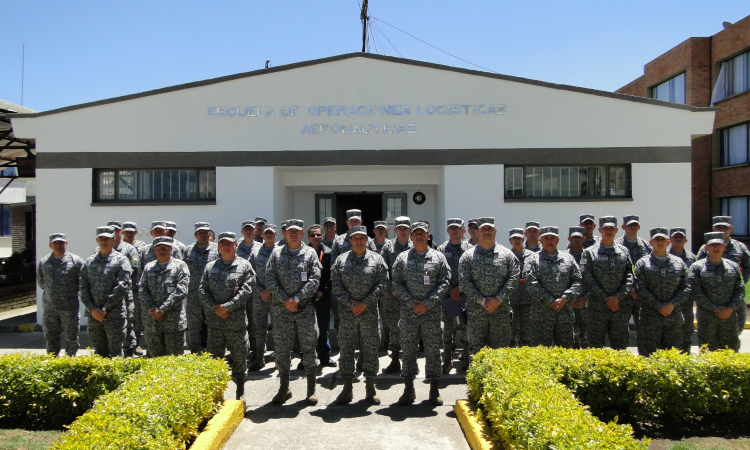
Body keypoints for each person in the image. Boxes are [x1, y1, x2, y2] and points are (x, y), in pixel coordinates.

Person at [392, 221, 450, 406]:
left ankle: (434, 389)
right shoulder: (402, 258)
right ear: (411, 236)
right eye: (415, 233)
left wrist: (427, 303)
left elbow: (445, 282)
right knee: (408, 352)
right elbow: (396, 284)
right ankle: (409, 389)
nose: (419, 236)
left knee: (433, 352)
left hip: (431, 314)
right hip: (409, 315)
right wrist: (412, 303)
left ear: (428, 235)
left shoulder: (438, 257)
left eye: (422, 233)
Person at [265, 219, 322, 405]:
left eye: (297, 231)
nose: (294, 234)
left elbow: (314, 280)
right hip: (281, 311)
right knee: (282, 350)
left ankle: (311, 389)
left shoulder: (310, 253)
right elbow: (270, 279)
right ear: (285, 233)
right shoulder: (275, 253)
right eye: (290, 231)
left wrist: (296, 299)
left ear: (303, 233)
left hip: (304, 309)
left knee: (308, 349)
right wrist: (286, 300)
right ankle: (284, 388)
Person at [331, 225, 388, 405]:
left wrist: (365, 303)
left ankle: (370, 388)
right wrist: (351, 304)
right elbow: (336, 286)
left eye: (362, 238)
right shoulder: (340, 261)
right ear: (350, 241)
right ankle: (347, 388)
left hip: (369, 314)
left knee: (371, 350)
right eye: (355, 238)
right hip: (347, 315)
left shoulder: (377, 260)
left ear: (366, 240)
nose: (358, 241)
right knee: (346, 351)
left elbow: (383, 284)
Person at [199, 231, 255, 400]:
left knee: (239, 357)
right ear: (218, 246)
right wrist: (216, 308)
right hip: (215, 322)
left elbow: (247, 290)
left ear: (235, 245)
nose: (226, 246)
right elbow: (202, 290)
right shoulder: (210, 267)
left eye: (230, 243)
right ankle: (216, 394)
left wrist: (227, 307)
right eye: (223, 244)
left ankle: (240, 391)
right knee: (215, 360)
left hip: (236, 323)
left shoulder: (244, 266)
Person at [459, 217, 520, 354]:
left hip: (500, 313)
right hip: (476, 315)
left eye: (490, 229)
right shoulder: (467, 256)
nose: (486, 232)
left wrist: (498, 299)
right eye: (483, 229)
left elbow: (513, 278)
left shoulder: (507, 255)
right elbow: (464, 282)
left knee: (501, 353)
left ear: (495, 231)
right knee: (476, 353)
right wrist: (482, 300)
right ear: (477, 232)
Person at [580, 216, 634, 350]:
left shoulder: (624, 251)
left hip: (620, 307)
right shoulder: (589, 252)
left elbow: (629, 275)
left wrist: (618, 297)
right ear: (599, 230)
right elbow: (587, 277)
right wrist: (606, 298)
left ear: (616, 230)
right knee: (595, 347)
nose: (608, 231)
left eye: (611, 229)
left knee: (620, 347)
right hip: (597, 308)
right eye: (605, 228)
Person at [633, 228, 689, 356]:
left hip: (673, 318)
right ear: (650, 242)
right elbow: (640, 287)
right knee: (649, 358)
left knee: (673, 358)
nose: (660, 242)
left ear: (668, 242)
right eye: (656, 239)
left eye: (662, 239)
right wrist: (659, 306)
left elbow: (686, 287)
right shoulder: (642, 263)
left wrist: (672, 304)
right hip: (650, 318)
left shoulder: (678, 262)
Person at [524, 226, 583, 348]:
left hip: (564, 315)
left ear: (558, 240)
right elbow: (531, 284)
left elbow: (578, 281)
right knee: (540, 355)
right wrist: (551, 301)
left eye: (552, 238)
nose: (549, 241)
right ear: (540, 240)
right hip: (541, 317)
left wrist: (565, 298)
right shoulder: (532, 260)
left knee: (566, 354)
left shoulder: (568, 258)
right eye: (546, 238)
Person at [79, 226, 133, 358]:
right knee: (99, 354)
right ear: (97, 240)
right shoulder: (89, 262)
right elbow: (83, 287)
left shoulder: (121, 260)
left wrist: (104, 308)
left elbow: (122, 286)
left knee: (115, 354)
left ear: (113, 239)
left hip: (114, 314)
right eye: (101, 238)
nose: (104, 241)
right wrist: (92, 309)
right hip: (94, 315)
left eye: (107, 238)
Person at [690, 231, 745, 352]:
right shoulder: (697, 267)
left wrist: (730, 309)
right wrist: (716, 309)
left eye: (719, 244)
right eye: (712, 245)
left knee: (731, 352)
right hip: (707, 318)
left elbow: (740, 290)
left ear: (724, 246)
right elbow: (695, 292)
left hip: (729, 318)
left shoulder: (733, 266)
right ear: (706, 247)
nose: (716, 248)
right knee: (707, 353)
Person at [696, 216, 750, 335]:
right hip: (710, 298)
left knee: (736, 329)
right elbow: (697, 269)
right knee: (708, 333)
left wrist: (738, 284)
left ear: (731, 228)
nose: (722, 230)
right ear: (713, 229)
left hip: (733, 297)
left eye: (725, 227)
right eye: (718, 227)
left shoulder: (740, 248)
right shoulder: (705, 249)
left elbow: (747, 267)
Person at [139, 236, 190, 357]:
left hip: (173, 322)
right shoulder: (148, 267)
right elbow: (142, 290)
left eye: (165, 247)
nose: (162, 250)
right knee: (154, 360)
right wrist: (153, 309)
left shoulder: (180, 266)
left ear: (171, 249)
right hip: (152, 322)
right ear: (154, 250)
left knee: (175, 359)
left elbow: (182, 290)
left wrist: (162, 309)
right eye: (159, 248)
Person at [38, 233, 84, 356]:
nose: (58, 245)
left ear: (66, 243)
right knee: (50, 336)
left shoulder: (76, 261)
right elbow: (41, 281)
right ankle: (53, 362)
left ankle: (70, 362)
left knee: (71, 337)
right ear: (50, 245)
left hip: (69, 307)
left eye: (60, 243)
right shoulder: (44, 262)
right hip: (50, 307)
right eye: (55, 243)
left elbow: (83, 281)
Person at [437, 218, 473, 372]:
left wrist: (460, 288)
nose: (454, 230)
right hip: (447, 296)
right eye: (451, 228)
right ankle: (447, 360)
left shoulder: (471, 249)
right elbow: (438, 273)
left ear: (463, 230)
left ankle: (466, 359)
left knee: (467, 329)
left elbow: (474, 273)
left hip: (466, 296)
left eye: (457, 228)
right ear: (447, 231)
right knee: (448, 331)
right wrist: (451, 290)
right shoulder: (441, 250)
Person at [380, 216, 413, 373]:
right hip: (393, 296)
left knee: (411, 328)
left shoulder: (416, 246)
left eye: (405, 228)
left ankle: (410, 361)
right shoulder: (388, 247)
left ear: (409, 229)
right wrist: (391, 287)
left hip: (412, 296)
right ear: (395, 230)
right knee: (394, 328)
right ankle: (394, 359)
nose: (402, 230)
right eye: (399, 228)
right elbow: (383, 269)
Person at [103, 221, 141, 357]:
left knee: (129, 321)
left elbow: (134, 268)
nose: (113, 232)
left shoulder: (129, 249)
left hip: (126, 293)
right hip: (106, 295)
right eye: (110, 230)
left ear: (121, 232)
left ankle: (130, 351)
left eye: (116, 230)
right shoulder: (100, 249)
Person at [616, 215, 652, 352]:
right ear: (623, 227)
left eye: (635, 225)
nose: (632, 227)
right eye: (629, 225)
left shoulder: (646, 246)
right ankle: (622, 358)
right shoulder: (617, 245)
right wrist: (628, 289)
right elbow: (617, 271)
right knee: (621, 328)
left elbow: (649, 270)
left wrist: (639, 289)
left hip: (641, 295)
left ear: (639, 227)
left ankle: (643, 356)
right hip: (623, 294)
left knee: (643, 328)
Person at [184, 222, 218, 354]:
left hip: (212, 293)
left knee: (212, 322)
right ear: (195, 235)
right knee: (194, 324)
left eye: (205, 232)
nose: (203, 234)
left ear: (210, 233)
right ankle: (195, 351)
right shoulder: (188, 250)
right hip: (193, 294)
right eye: (200, 232)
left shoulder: (217, 249)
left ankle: (213, 352)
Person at [247, 223, 278, 371]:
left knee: (279, 327)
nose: (269, 235)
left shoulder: (281, 252)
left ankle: (281, 357)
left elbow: (283, 275)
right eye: (267, 233)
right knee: (259, 327)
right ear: (262, 235)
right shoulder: (254, 251)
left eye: (271, 233)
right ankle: (259, 357)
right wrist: (260, 290)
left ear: (276, 235)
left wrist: (271, 290)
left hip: (277, 296)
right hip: (259, 296)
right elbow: (250, 273)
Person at [307, 224, 336, 368]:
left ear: (322, 236)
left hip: (323, 295)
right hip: (306, 296)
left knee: (323, 326)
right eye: (312, 235)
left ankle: (324, 356)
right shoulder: (303, 253)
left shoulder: (328, 253)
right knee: (307, 328)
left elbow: (331, 275)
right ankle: (306, 357)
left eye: (318, 234)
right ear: (308, 237)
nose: (316, 237)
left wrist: (322, 290)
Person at [668, 227, 697, 353]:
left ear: (686, 239)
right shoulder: (665, 256)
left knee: (687, 331)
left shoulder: (691, 257)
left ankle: (686, 357)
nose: (678, 239)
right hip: (669, 301)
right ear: (670, 240)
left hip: (686, 302)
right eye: (675, 237)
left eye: (681, 237)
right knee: (670, 333)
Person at [508, 228, 535, 347]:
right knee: (510, 333)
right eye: (514, 238)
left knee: (527, 333)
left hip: (528, 300)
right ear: (510, 240)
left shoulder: (533, 256)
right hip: (510, 300)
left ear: (524, 239)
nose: (517, 241)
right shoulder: (506, 256)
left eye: (519, 238)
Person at [122, 222, 147, 350]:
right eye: (126, 231)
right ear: (122, 232)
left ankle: (136, 343)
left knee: (136, 316)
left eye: (132, 231)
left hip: (136, 286)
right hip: (121, 287)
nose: (129, 234)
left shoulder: (141, 246)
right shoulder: (117, 246)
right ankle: (123, 343)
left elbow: (143, 264)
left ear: (135, 232)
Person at [564, 227, 589, 348]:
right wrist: (570, 297)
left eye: (579, 237)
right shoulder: (563, 257)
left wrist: (586, 297)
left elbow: (593, 279)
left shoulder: (590, 255)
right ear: (569, 238)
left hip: (587, 303)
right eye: (574, 237)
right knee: (569, 337)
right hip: (568, 302)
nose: (576, 240)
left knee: (587, 337)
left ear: (584, 238)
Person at [237, 220, 258, 355]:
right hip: (238, 291)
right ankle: (240, 351)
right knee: (239, 321)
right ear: (242, 232)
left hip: (256, 292)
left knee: (255, 322)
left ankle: (256, 352)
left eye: (251, 229)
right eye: (246, 229)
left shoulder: (260, 247)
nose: (249, 231)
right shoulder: (236, 247)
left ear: (255, 231)